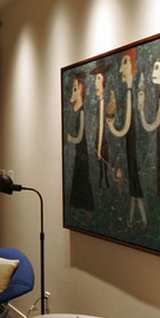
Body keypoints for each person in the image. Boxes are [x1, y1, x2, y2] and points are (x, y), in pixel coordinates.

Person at [108, 50, 146, 227]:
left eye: (125, 63)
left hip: (135, 148)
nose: (120, 69)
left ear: (133, 66)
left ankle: (137, 220)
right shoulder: (128, 93)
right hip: (130, 147)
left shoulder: (133, 92)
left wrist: (111, 125)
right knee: (134, 190)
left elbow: (124, 129)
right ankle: (135, 220)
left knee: (135, 189)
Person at [138, 58, 160, 199]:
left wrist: (141, 110)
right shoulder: (158, 94)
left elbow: (152, 124)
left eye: (157, 68)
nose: (153, 73)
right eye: (154, 68)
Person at [66, 73, 95, 213]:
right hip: (79, 153)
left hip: (82, 154)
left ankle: (86, 207)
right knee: (78, 180)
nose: (73, 91)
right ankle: (78, 208)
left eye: (75, 88)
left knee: (82, 180)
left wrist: (71, 139)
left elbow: (80, 137)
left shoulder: (82, 113)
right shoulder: (76, 112)